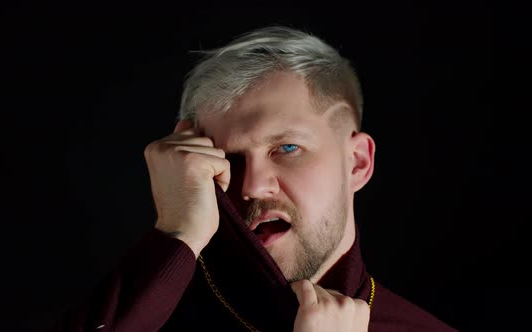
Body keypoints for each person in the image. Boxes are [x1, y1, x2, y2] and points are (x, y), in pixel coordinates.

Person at [49, 26, 456, 331]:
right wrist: (176, 233)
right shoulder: (150, 315)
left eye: (287, 148)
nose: (251, 187)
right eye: (228, 159)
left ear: (357, 163)